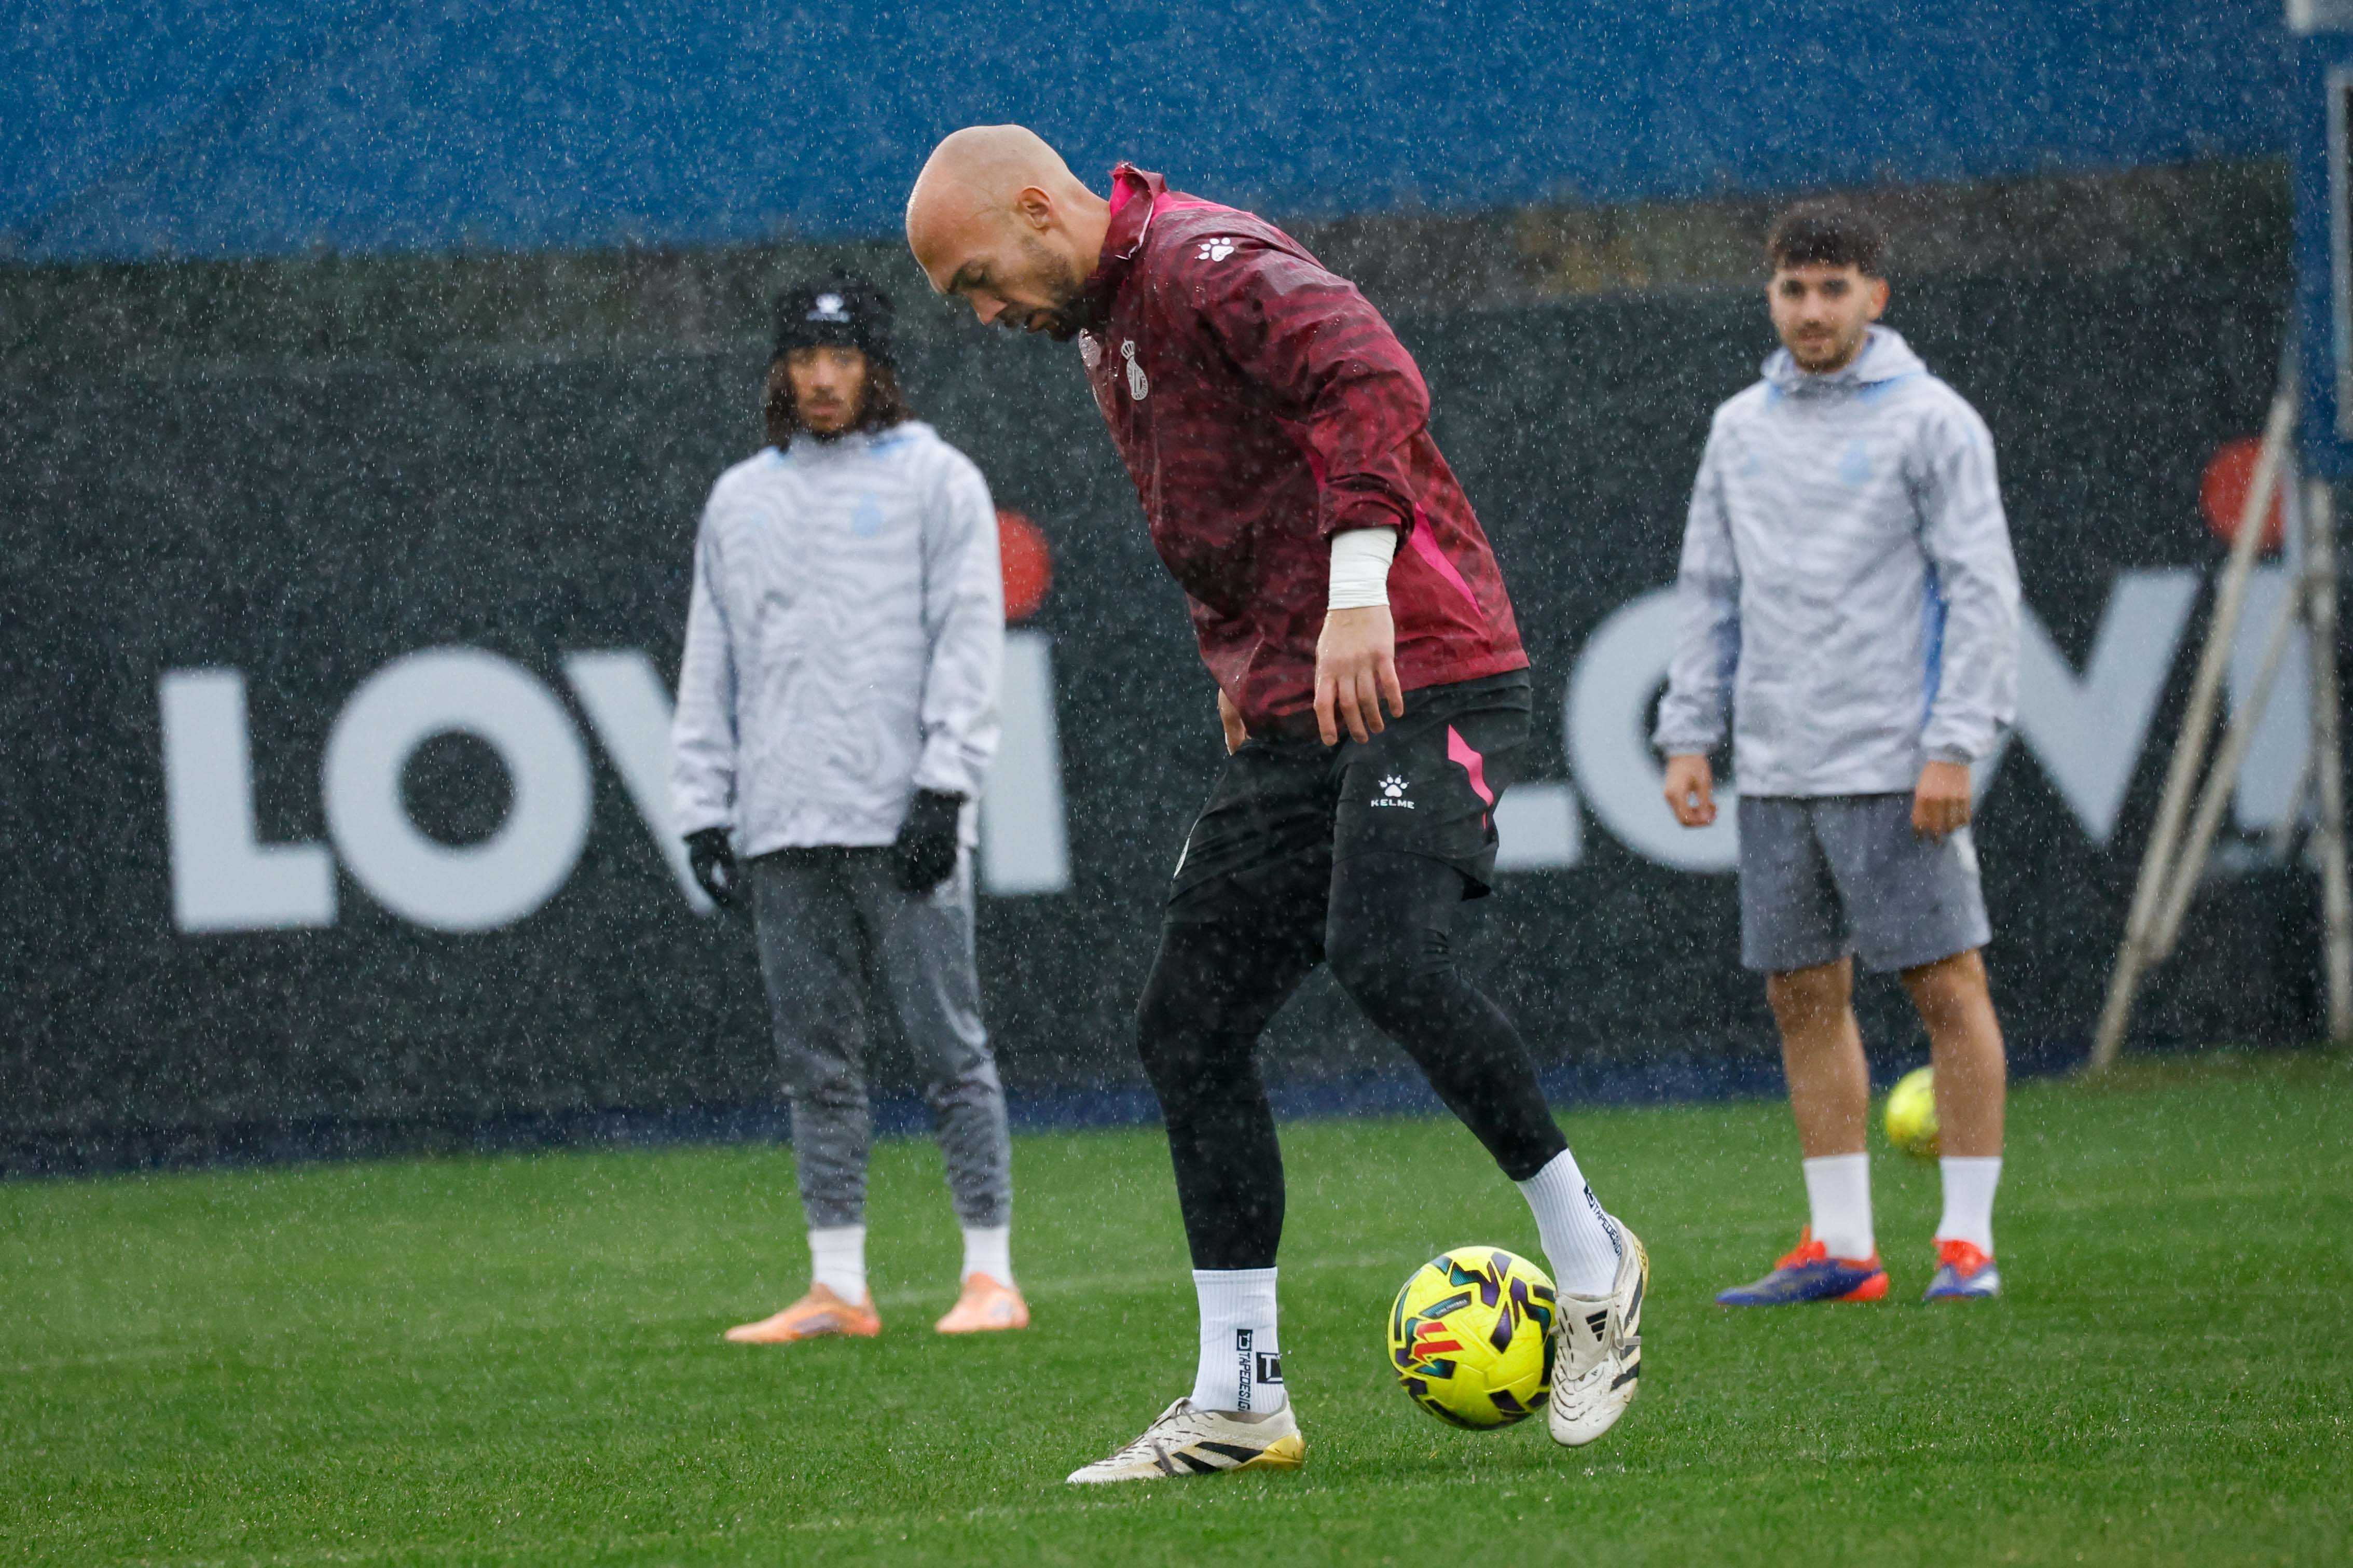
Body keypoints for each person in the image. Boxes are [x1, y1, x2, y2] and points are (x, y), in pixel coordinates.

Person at [906, 126, 1646, 1482]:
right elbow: (1213, 508)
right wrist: (1239, 666)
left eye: (976, 280)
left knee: (1385, 953)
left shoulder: (1204, 260)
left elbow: (1370, 376)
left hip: (1425, 664)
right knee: (1186, 1024)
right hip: (1299, 699)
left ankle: (1592, 1257)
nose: (984, 314)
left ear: (1036, 208)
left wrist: (1359, 593)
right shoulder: (1105, 319)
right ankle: (1240, 1400)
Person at [1654, 202, 2020, 1306]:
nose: (1812, 310)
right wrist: (1688, 732)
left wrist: (1954, 744)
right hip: (1776, 767)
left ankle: (1967, 1245)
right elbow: (1708, 589)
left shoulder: (1933, 421)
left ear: (1875, 296)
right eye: (1793, 289)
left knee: (1947, 986)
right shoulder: (1739, 427)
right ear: (1770, 296)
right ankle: (1845, 1249)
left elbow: (1982, 589)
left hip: (1896, 763)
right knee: (1802, 996)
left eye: (1833, 288)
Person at [669, 270, 1026, 1342]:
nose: (822, 379)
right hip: (784, 820)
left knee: (950, 1050)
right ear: (781, 370)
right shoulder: (740, 499)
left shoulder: (937, 480)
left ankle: (990, 1274)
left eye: (843, 357)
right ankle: (838, 1286)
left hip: (903, 814)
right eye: (804, 358)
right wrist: (702, 806)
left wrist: (946, 785)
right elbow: (710, 662)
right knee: (816, 1065)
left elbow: (969, 639)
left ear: (878, 368)